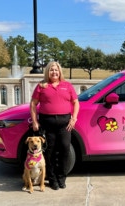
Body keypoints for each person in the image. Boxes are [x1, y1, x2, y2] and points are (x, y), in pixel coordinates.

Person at [30, 61, 79, 190]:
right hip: (47, 123)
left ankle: (61, 177)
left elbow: (76, 102)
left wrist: (73, 119)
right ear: (47, 72)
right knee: (49, 152)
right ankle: (52, 179)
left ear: (59, 71)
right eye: (51, 70)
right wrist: (35, 121)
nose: (54, 72)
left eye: (56, 70)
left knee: (64, 149)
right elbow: (33, 104)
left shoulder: (67, 85)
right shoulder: (42, 86)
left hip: (65, 124)